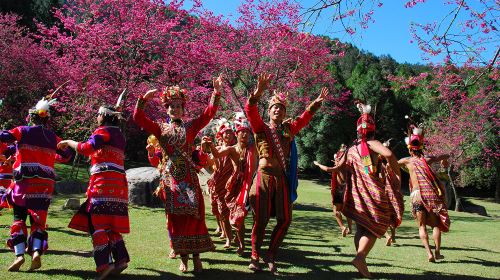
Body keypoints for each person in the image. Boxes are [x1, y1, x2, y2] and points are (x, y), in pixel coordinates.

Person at [133, 76, 223, 273]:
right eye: (171, 106)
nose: (174, 109)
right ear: (166, 109)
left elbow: (208, 114)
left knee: (195, 217)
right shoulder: (160, 128)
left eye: (178, 106)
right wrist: (143, 101)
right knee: (176, 220)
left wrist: (216, 92)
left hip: (189, 180)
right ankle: (184, 258)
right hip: (171, 181)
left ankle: (197, 258)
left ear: (183, 109)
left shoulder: (191, 127)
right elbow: (138, 118)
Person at [244, 73, 327, 274]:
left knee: (286, 219)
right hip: (263, 177)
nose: (278, 110)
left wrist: (315, 104)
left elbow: (303, 119)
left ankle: (271, 254)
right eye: (275, 107)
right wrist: (259, 91)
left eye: (281, 108)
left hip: (280, 179)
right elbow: (250, 109)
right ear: (269, 111)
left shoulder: (289, 130)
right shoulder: (260, 127)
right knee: (261, 220)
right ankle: (255, 256)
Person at [58, 102, 130, 279]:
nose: (96, 117)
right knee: (110, 223)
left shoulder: (103, 132)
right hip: (118, 187)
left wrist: (69, 142)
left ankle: (103, 265)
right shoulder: (119, 136)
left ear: (104, 116)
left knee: (97, 224)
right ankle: (121, 260)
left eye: (98, 114)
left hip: (103, 184)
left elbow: (86, 148)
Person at [0, 97, 72, 272]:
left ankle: (19, 256)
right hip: (44, 187)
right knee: (38, 222)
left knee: (19, 219)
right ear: (46, 118)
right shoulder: (53, 137)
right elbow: (67, 155)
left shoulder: (22, 131)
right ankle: (36, 253)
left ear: (31, 118)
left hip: (24, 184)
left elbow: (3, 136)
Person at [334, 101, 404, 278]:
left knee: (361, 229)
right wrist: (396, 174)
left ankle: (361, 261)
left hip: (356, 195)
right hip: (372, 193)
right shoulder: (372, 143)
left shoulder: (351, 149)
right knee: (377, 226)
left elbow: (343, 170)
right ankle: (360, 257)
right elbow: (388, 154)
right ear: (373, 130)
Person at [203, 116, 258, 256]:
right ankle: (241, 245)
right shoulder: (232, 149)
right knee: (237, 218)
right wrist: (210, 144)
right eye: (241, 131)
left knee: (257, 218)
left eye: (247, 131)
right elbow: (216, 154)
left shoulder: (254, 148)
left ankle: (254, 247)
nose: (244, 134)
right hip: (236, 188)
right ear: (237, 133)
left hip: (253, 185)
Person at [398, 125, 450, 262]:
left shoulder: (407, 161)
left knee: (421, 226)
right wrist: (444, 161)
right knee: (436, 225)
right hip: (430, 196)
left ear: (410, 148)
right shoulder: (427, 159)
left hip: (416, 196)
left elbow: (392, 163)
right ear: (421, 146)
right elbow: (445, 156)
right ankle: (437, 252)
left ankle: (429, 253)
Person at [206, 119, 236, 248]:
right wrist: (204, 151)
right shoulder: (217, 148)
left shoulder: (234, 148)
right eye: (226, 132)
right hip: (219, 184)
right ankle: (228, 237)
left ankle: (237, 238)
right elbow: (211, 164)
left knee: (234, 213)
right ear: (221, 135)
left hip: (232, 184)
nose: (228, 135)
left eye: (230, 132)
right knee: (222, 212)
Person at [313, 144, 352, 237]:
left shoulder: (339, 167)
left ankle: (343, 227)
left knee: (336, 211)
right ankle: (350, 228)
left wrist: (318, 164)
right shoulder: (349, 167)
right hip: (348, 190)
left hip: (339, 191)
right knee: (346, 211)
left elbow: (327, 169)